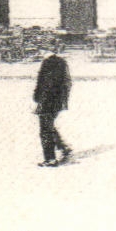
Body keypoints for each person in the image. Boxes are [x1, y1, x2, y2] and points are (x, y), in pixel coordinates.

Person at [33, 38, 73, 167]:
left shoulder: (48, 63)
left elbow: (47, 85)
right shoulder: (61, 62)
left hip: (48, 101)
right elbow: (66, 83)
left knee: (45, 129)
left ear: (44, 50)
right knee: (49, 125)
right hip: (57, 101)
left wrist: (40, 101)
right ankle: (63, 147)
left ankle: (50, 159)